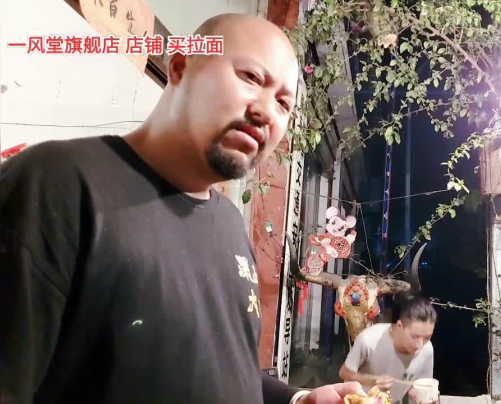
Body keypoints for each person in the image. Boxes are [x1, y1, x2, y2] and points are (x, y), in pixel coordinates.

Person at [0, 13, 365, 404]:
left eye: (283, 103)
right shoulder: (57, 183)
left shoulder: (228, 221)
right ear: (179, 66)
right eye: (250, 77)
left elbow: (225, 369)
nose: (265, 111)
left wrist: (299, 399)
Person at [339, 293, 438, 404]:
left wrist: (421, 395)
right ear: (400, 326)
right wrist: (373, 381)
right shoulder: (369, 339)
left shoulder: (427, 350)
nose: (420, 345)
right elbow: (344, 373)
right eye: (415, 337)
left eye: (427, 337)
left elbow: (417, 385)